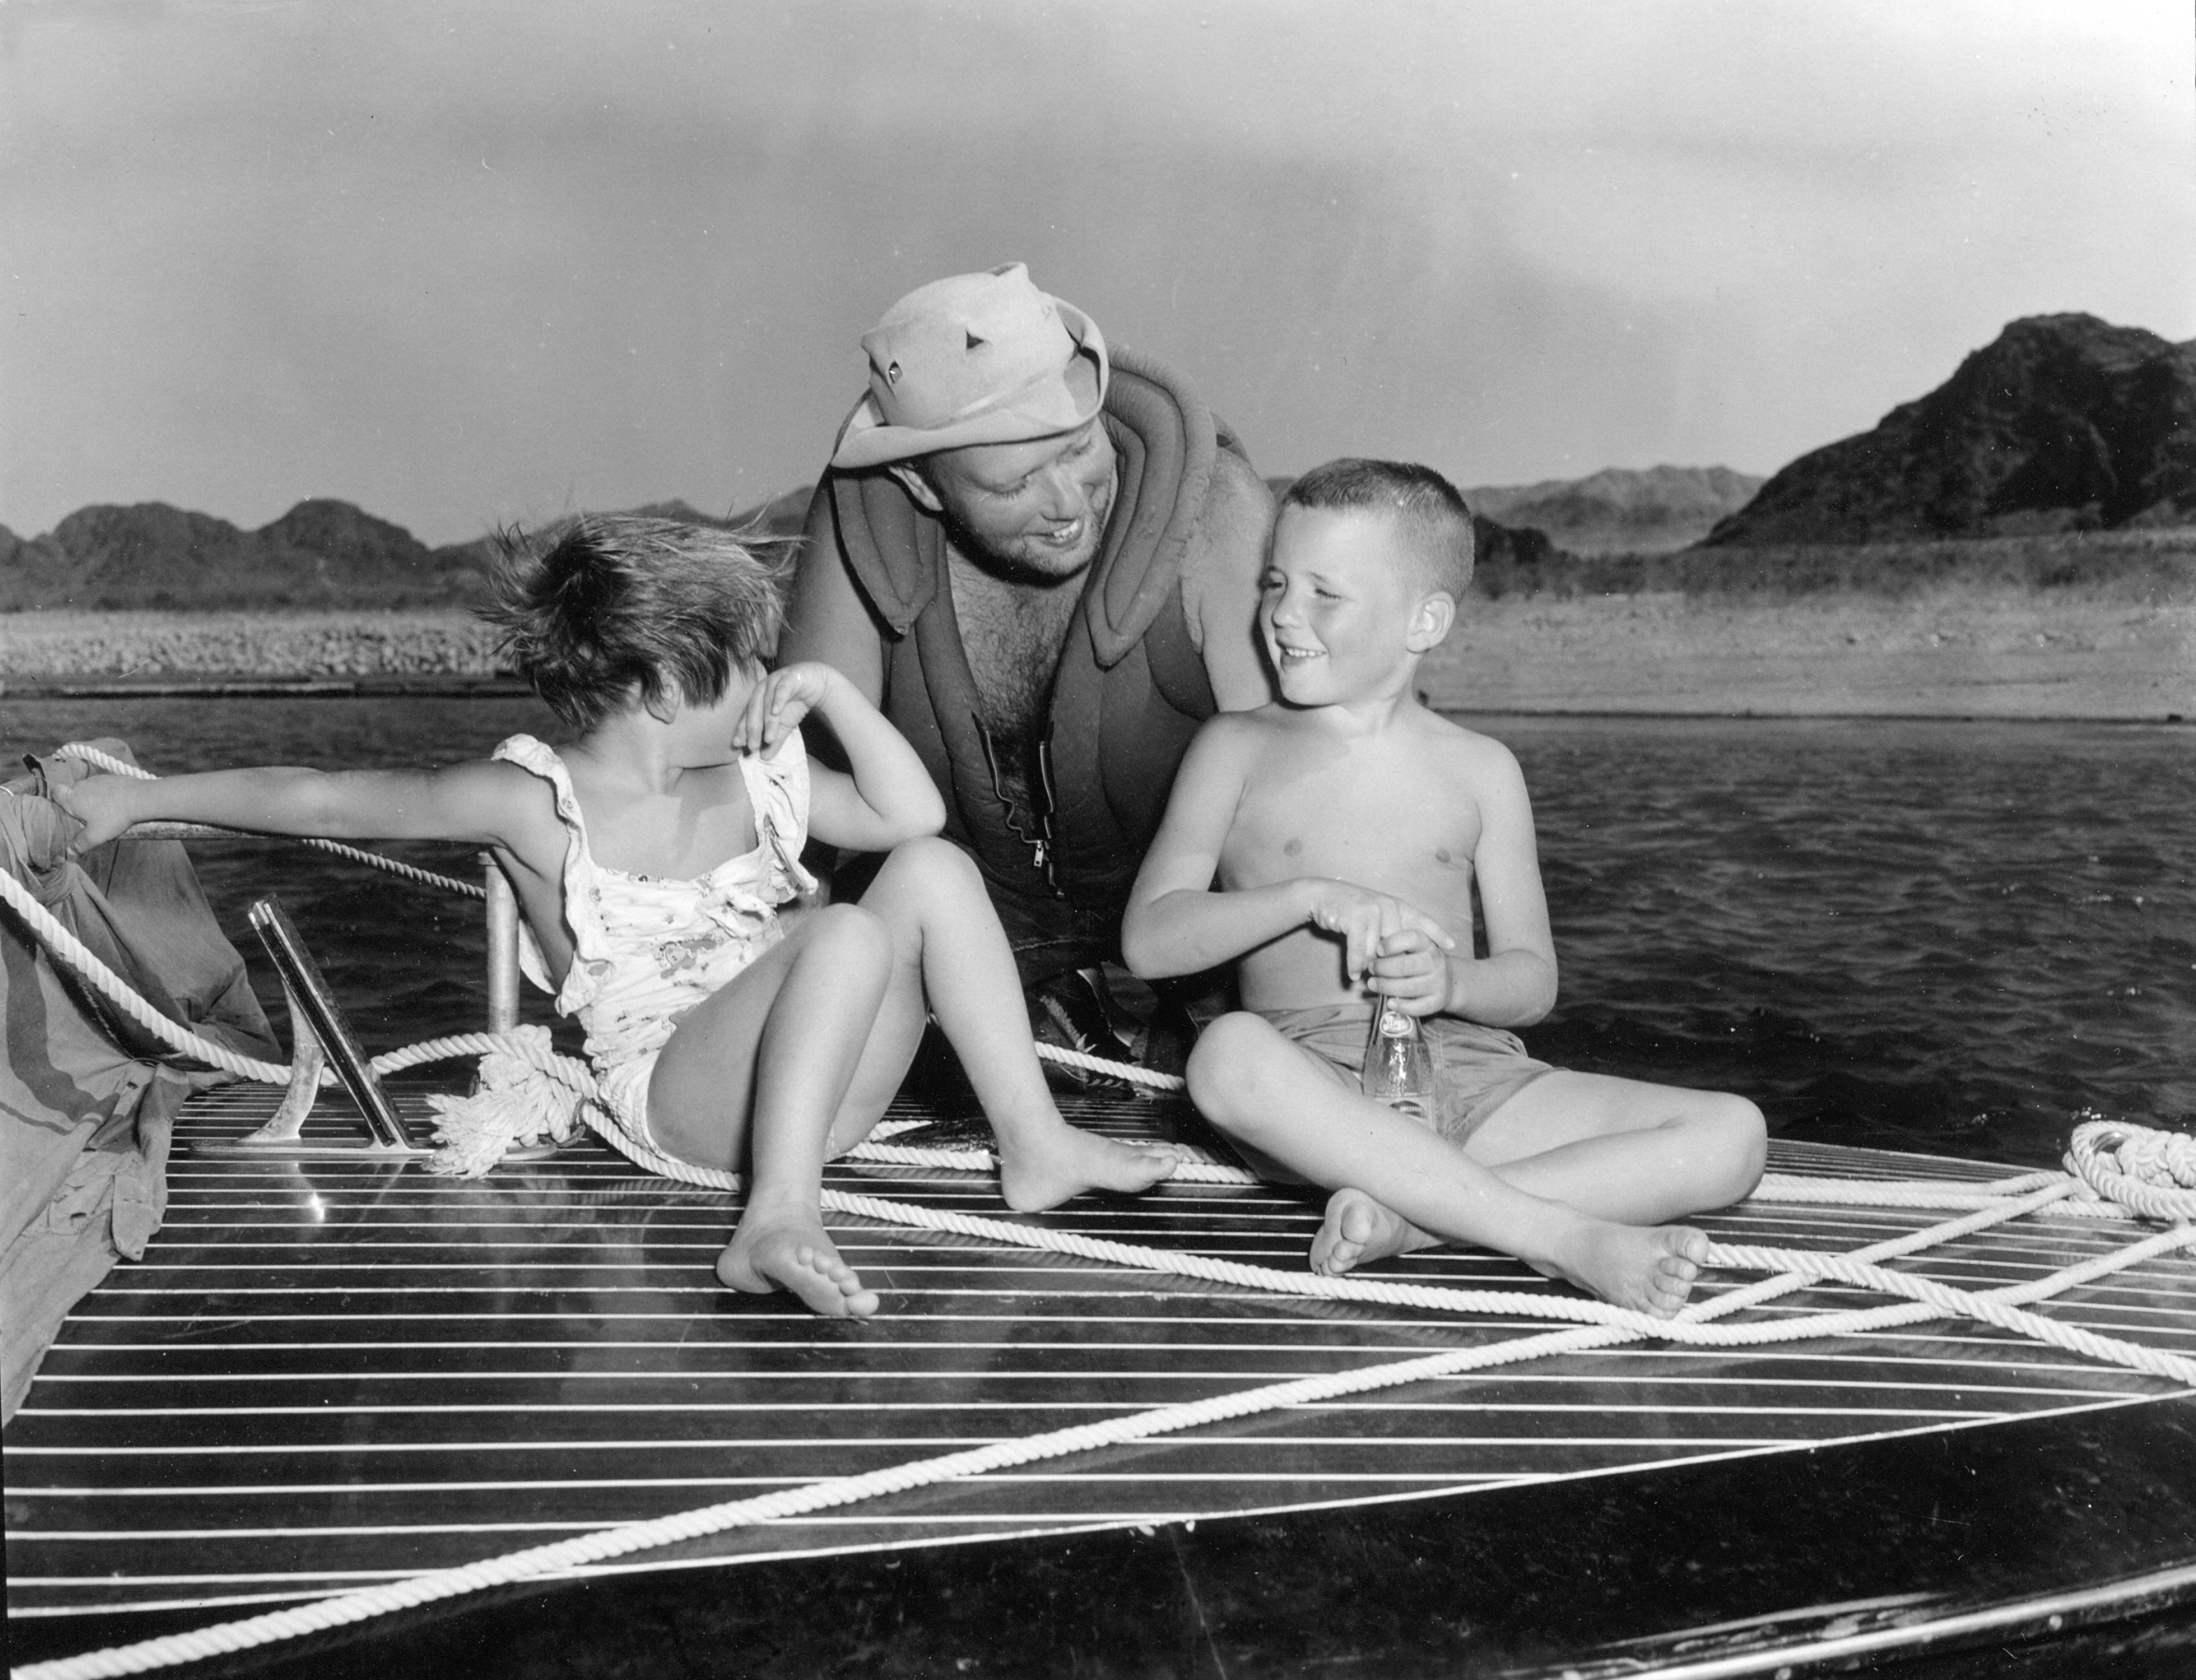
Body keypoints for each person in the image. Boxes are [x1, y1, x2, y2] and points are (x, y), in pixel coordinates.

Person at [55, 515, 1178, 1319]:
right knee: (839, 930)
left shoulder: (763, 775)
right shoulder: (534, 803)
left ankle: (1030, 1142)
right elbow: (316, 795)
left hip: (821, 1088)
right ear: (659, 692)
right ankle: (773, 1221)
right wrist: (136, 800)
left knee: (930, 870)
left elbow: (911, 813)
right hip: (684, 1107)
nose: (771, 681)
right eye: (751, 665)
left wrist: (831, 699)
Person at [1120, 460, 1765, 1316]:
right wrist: (1304, 896)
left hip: (1472, 1071)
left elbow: (1533, 982)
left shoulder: (1481, 770)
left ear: (1424, 620)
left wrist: (1455, 983)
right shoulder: (1233, 748)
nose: (1280, 614)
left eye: (1324, 593)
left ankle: (1412, 1220)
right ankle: (1556, 1236)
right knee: (1225, 1055)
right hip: (1315, 1082)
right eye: (1275, 583)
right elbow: (1150, 939)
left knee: (1732, 1135)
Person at [779, 262, 1274, 1071]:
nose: (1068, 502)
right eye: (1013, 485)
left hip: (1196, 946)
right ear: (919, 481)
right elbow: (795, 795)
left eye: (1080, 449)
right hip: (979, 951)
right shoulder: (860, 526)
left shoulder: (1218, 513)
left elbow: (1298, 792)